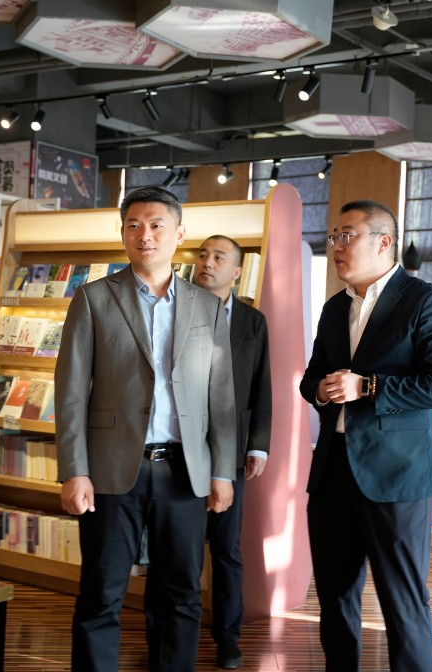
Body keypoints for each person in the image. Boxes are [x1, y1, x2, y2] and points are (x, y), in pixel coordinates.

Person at [55, 186, 237, 672]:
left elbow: (221, 398)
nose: (145, 235)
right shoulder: (93, 298)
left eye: (157, 225)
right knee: (101, 592)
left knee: (181, 595)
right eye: (133, 225)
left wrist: (223, 472)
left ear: (180, 234)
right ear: (122, 234)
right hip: (111, 470)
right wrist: (74, 470)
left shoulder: (207, 306)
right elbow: (70, 392)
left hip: (184, 472)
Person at [299, 199, 432, 672]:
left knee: (403, 602)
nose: (336, 246)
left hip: (396, 477)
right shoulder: (335, 308)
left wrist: (368, 387)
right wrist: (322, 391)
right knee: (334, 599)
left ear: (383, 242)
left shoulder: (425, 301)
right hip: (332, 471)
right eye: (333, 237)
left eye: (346, 236)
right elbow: (311, 378)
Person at [153, 234, 272, 670]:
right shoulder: (170, 310)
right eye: (202, 254)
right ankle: (161, 639)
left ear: (237, 271)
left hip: (229, 452)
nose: (207, 262)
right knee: (169, 551)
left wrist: (258, 444)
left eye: (219, 257)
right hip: (175, 450)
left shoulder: (252, 321)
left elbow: (261, 385)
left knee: (225, 549)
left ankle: (228, 637)